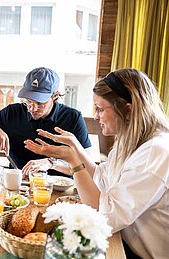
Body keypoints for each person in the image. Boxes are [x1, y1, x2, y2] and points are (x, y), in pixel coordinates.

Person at [24, 68, 169, 259]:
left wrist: (74, 161)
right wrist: (75, 147)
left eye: (100, 109)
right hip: (121, 238)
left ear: (127, 110)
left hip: (137, 253)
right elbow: (101, 176)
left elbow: (105, 216)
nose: (95, 116)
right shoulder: (129, 141)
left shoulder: (154, 152)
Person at [0, 67, 92, 177]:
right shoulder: (12, 113)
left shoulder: (73, 118)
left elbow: (86, 165)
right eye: (29, 101)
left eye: (40, 103)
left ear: (55, 96)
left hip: (60, 191)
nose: (32, 108)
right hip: (19, 185)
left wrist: (52, 162)